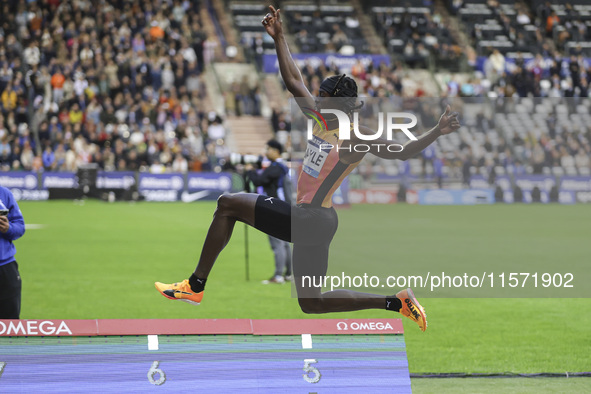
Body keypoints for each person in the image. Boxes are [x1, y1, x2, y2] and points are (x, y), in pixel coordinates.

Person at [155, 6, 461, 332]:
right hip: (318, 221)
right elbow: (292, 80)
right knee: (310, 302)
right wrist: (280, 37)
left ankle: (195, 285)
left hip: (312, 218)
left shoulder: (356, 136)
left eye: (322, 96)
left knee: (228, 203)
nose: (315, 98)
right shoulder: (319, 119)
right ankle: (395, 302)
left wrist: (437, 131)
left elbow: (402, 152)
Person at [245, 139, 292, 284]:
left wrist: (250, 171)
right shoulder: (282, 167)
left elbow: (259, 181)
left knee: (277, 243)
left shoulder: (276, 167)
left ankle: (278, 276)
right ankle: (288, 274)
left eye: (269, 149)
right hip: (285, 207)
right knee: (285, 242)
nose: (266, 152)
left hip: (275, 208)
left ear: (276, 151)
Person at [0, 186, 26, 319]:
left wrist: (8, 228)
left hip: (6, 268)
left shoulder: (4, 193)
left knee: (11, 324)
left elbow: (20, 226)